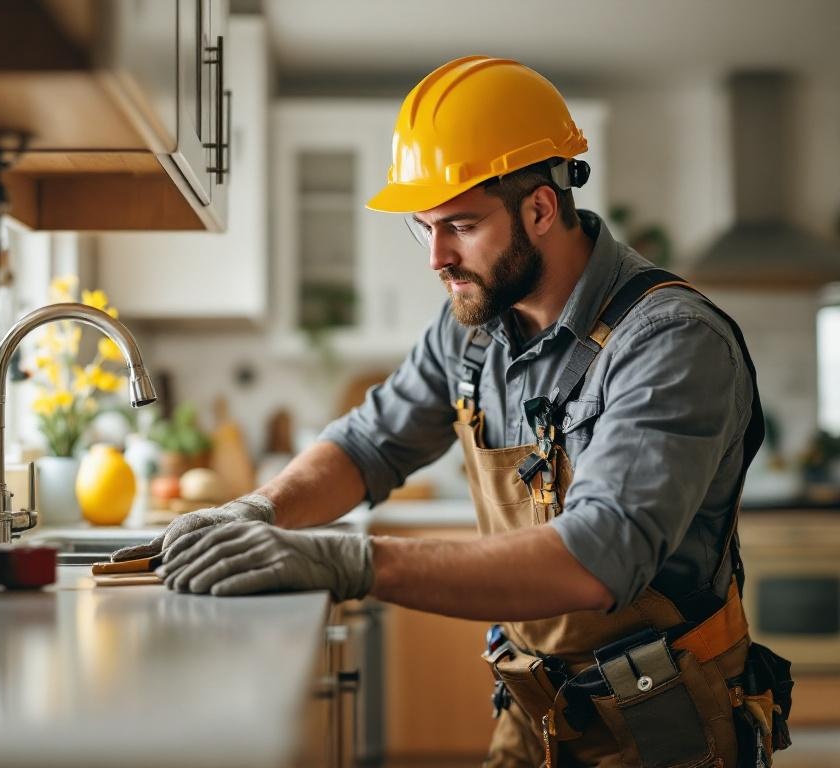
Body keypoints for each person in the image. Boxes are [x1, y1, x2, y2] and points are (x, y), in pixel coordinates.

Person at [113, 56, 792, 767]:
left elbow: (598, 555)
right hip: (538, 714)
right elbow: (370, 443)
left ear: (540, 207)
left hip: (668, 728)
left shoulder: (670, 340)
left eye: (461, 225)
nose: (437, 256)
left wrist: (351, 561)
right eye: (424, 227)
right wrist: (256, 510)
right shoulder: (471, 326)